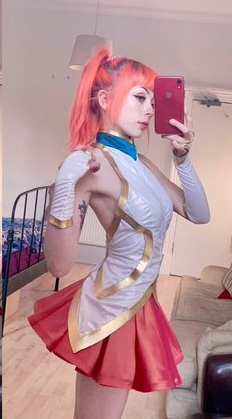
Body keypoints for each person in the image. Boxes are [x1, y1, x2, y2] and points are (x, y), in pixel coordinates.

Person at [28, 48, 210, 419]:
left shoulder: (141, 163)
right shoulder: (90, 163)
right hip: (110, 307)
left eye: (153, 101)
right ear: (104, 99)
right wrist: (64, 187)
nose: (150, 109)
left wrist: (182, 157)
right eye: (140, 97)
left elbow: (198, 213)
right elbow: (60, 266)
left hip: (140, 303)